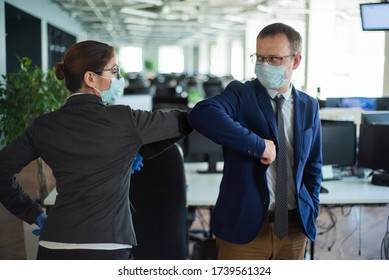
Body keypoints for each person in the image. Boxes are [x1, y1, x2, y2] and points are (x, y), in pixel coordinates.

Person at [0, 40, 192, 260]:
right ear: (90, 78)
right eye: (114, 70)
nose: (118, 78)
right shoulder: (124, 119)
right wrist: (144, 151)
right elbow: (184, 122)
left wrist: (32, 213)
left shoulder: (44, 126)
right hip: (108, 246)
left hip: (54, 244)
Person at [188, 22, 322, 260]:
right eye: (259, 58)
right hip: (244, 226)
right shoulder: (241, 93)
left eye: (273, 59)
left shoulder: (308, 105)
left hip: (293, 228)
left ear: (296, 61)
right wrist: (259, 145)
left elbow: (313, 164)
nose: (264, 65)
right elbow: (202, 113)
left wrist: (311, 208)